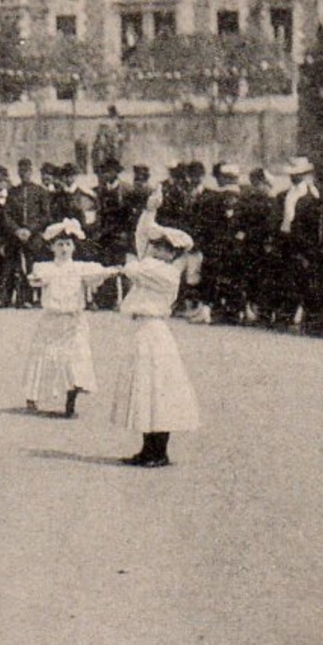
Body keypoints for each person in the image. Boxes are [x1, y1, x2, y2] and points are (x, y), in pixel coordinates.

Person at [109, 189, 201, 467]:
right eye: (156, 246)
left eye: (162, 247)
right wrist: (150, 210)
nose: (155, 250)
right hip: (144, 330)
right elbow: (141, 238)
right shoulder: (152, 264)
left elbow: (133, 267)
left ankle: (159, 451)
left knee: (158, 389)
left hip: (155, 332)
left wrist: (128, 262)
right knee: (145, 388)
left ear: (172, 253)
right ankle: (148, 448)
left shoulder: (165, 273)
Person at [21, 220, 121, 419]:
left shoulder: (80, 268)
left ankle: (70, 401)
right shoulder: (45, 267)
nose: (64, 248)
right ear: (52, 247)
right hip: (52, 320)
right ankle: (32, 397)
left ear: (74, 247)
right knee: (44, 357)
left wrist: (114, 270)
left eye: (68, 244)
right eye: (60, 244)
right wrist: (37, 278)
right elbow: (36, 279)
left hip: (74, 321)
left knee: (75, 359)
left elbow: (99, 272)